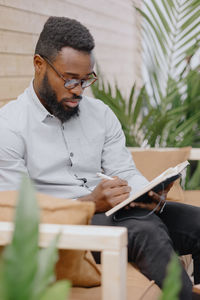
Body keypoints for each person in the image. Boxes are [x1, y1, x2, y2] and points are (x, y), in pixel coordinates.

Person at [0, 16, 200, 299]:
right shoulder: (8, 127)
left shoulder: (101, 114)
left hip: (120, 212)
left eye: (87, 79)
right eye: (70, 80)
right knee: (146, 229)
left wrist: (146, 191)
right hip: (68, 226)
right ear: (39, 64)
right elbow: (18, 212)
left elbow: (124, 169)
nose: (79, 90)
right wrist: (89, 203)